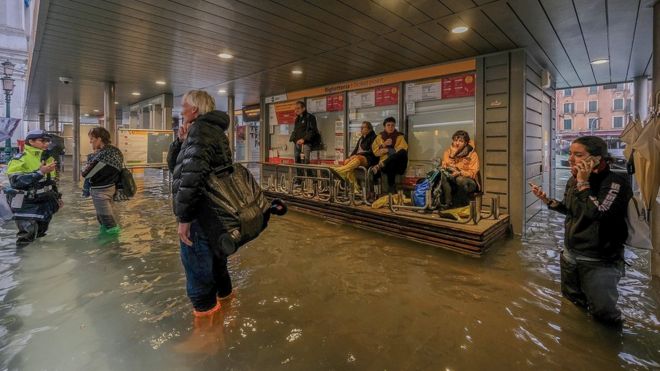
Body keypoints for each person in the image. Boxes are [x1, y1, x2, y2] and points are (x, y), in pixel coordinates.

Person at [531, 136, 631, 326]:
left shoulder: (615, 183)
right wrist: (548, 201)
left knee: (604, 316)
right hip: (570, 255)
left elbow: (600, 213)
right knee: (572, 306)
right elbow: (572, 211)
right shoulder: (573, 180)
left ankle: (606, 350)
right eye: (570, 153)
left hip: (599, 260)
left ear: (597, 158)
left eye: (578, 155)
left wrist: (583, 183)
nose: (570, 159)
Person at [168, 90, 233, 317]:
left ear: (194, 109)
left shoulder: (200, 131)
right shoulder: (215, 131)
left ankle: (206, 336)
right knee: (218, 267)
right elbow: (179, 167)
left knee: (198, 274)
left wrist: (185, 219)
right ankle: (227, 312)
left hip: (199, 214)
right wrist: (180, 142)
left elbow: (191, 178)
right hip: (217, 213)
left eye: (184, 105)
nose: (181, 109)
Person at [4, 129, 62, 246]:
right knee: (26, 237)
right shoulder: (20, 158)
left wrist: (57, 197)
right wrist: (39, 172)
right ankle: (24, 261)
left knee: (41, 234)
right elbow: (15, 182)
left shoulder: (48, 158)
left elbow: (51, 181)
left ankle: (38, 260)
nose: (46, 143)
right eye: (43, 141)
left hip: (45, 201)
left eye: (47, 141)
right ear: (31, 141)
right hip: (26, 203)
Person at [81, 127, 124, 234]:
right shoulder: (116, 151)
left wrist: (86, 165)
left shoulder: (103, 155)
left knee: (108, 221)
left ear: (99, 139)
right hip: (111, 188)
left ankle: (111, 247)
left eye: (92, 139)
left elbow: (86, 173)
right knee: (104, 218)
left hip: (101, 192)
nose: (90, 142)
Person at [332, 121, 378, 192]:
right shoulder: (361, 138)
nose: (361, 129)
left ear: (369, 129)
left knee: (357, 158)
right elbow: (355, 150)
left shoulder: (374, 137)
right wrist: (349, 158)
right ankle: (355, 187)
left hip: (369, 159)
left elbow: (371, 152)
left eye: (363, 127)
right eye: (361, 127)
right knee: (347, 161)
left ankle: (340, 171)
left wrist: (357, 155)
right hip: (359, 157)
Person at [439, 130, 480, 209]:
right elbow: (446, 165)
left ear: (465, 143)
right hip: (452, 177)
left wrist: (460, 172)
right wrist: (452, 155)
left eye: (460, 141)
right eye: (455, 140)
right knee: (442, 176)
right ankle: (448, 203)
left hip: (469, 181)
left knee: (460, 180)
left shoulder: (472, 154)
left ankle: (460, 206)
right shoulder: (448, 152)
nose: (457, 143)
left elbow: (473, 172)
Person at [371, 117, 408, 192]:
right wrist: (384, 145)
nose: (391, 127)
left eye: (393, 125)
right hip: (387, 166)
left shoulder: (400, 137)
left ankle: (381, 165)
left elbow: (402, 150)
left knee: (402, 152)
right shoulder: (379, 137)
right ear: (384, 126)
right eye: (388, 125)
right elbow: (375, 152)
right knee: (391, 163)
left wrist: (388, 150)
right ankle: (388, 189)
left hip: (399, 165)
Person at [288, 101, 319, 182]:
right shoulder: (297, 119)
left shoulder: (310, 117)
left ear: (303, 108)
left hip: (306, 144)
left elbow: (313, 131)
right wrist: (294, 140)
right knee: (297, 161)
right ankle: (300, 180)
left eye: (298, 108)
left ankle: (311, 181)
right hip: (297, 144)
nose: (296, 110)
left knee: (306, 162)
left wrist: (304, 139)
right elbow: (295, 131)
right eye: (295, 109)